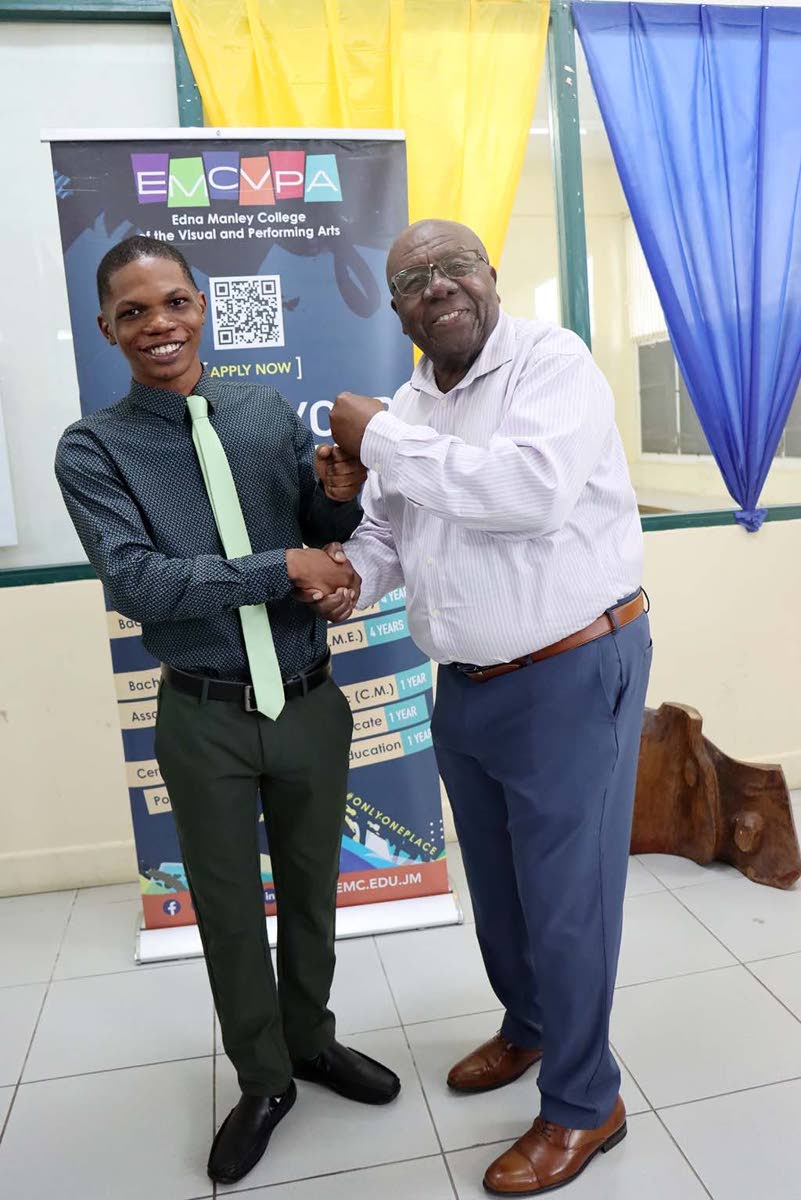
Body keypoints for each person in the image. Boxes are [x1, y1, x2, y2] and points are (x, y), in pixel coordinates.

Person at [54, 235, 399, 1187]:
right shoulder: (93, 448)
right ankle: (263, 1079)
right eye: (132, 313)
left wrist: (336, 497)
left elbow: (320, 529)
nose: (158, 325)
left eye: (173, 302)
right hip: (203, 714)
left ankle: (312, 1041)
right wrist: (282, 566)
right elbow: (139, 582)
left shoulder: (261, 410)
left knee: (314, 889)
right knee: (228, 909)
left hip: (308, 700)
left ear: (200, 305)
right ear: (107, 329)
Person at [324, 219, 652, 1196]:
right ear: (397, 309)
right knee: (502, 896)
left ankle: (586, 1103)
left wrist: (381, 439)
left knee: (567, 902)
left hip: (569, 671)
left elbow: (530, 493)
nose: (436, 285)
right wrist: (347, 574)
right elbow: (392, 536)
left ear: (489, 276)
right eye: (412, 278)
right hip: (465, 684)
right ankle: (532, 1025)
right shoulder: (415, 401)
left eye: (453, 266)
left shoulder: (552, 363)